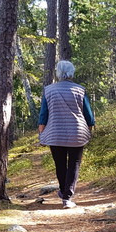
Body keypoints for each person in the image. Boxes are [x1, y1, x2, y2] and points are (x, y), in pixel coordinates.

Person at [38, 60, 95, 209]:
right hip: (77, 133)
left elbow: (43, 114)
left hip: (55, 134)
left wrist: (41, 133)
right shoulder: (79, 90)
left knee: (60, 164)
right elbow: (88, 114)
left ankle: (64, 192)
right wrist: (90, 130)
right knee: (74, 164)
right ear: (72, 72)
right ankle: (67, 197)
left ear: (58, 72)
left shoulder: (48, 90)